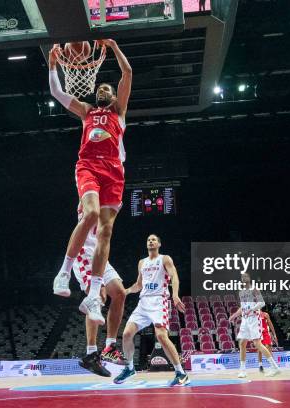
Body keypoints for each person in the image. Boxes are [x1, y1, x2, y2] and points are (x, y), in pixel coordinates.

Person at [49, 39, 132, 325]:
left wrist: (113, 45)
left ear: (113, 97)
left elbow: (128, 73)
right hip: (88, 167)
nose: (102, 91)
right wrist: (52, 67)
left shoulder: (118, 114)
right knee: (92, 214)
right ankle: (63, 271)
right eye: (99, 89)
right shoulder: (86, 111)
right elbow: (57, 93)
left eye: (106, 89)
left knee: (105, 233)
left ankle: (94, 293)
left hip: (114, 172)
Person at [56, 204, 127, 376]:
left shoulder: (112, 192)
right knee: (99, 296)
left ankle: (110, 346)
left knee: (119, 293)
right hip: (85, 253)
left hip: (101, 254)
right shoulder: (90, 192)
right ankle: (91, 354)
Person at [113, 234, 190, 386]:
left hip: (159, 300)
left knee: (161, 336)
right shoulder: (142, 262)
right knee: (127, 334)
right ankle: (129, 368)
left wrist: (175, 295)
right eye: (148, 239)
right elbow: (138, 284)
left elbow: (175, 277)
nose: (150, 241)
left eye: (154, 239)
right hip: (143, 303)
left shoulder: (165, 259)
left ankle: (181, 372)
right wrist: (126, 291)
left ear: (159, 244)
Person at [229, 272, 280, 378]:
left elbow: (262, 303)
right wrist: (234, 315)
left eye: (246, 276)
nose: (244, 278)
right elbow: (242, 307)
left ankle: (274, 367)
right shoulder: (241, 292)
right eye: (242, 277)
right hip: (245, 320)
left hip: (254, 318)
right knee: (242, 343)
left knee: (257, 344)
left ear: (249, 278)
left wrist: (251, 309)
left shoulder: (254, 289)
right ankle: (243, 370)